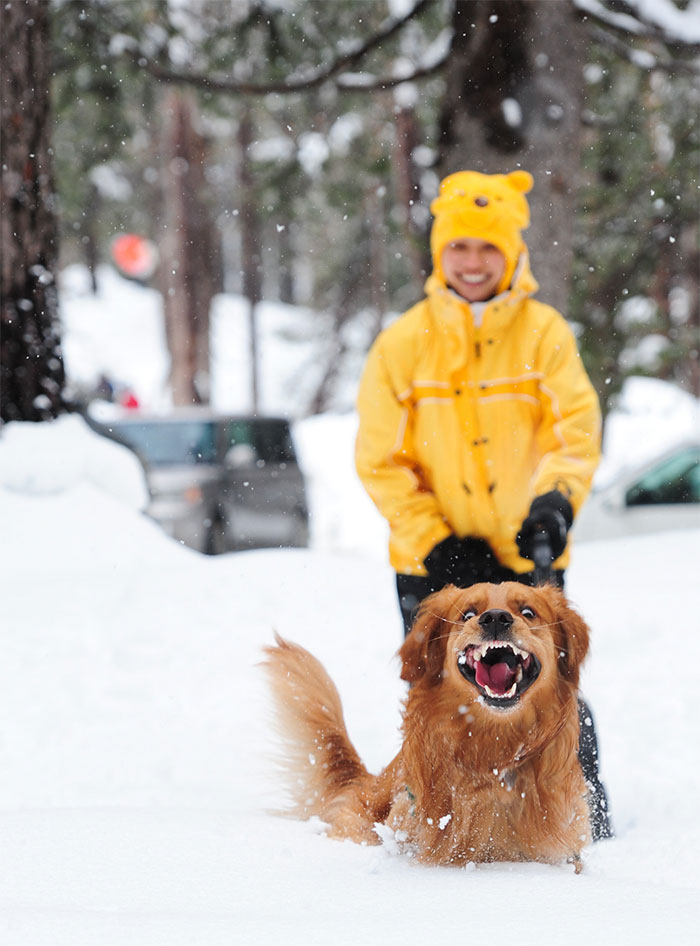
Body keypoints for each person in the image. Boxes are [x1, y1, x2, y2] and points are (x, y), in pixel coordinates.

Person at [355, 169, 612, 840]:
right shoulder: (402, 344)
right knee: (440, 696)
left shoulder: (544, 333)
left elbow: (575, 433)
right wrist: (436, 542)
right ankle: (436, 822)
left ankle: (577, 816)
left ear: (512, 252)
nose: (473, 263)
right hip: (430, 561)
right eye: (459, 248)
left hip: (525, 556)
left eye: (487, 248)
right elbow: (381, 460)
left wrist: (555, 501)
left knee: (550, 691)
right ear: (440, 254)